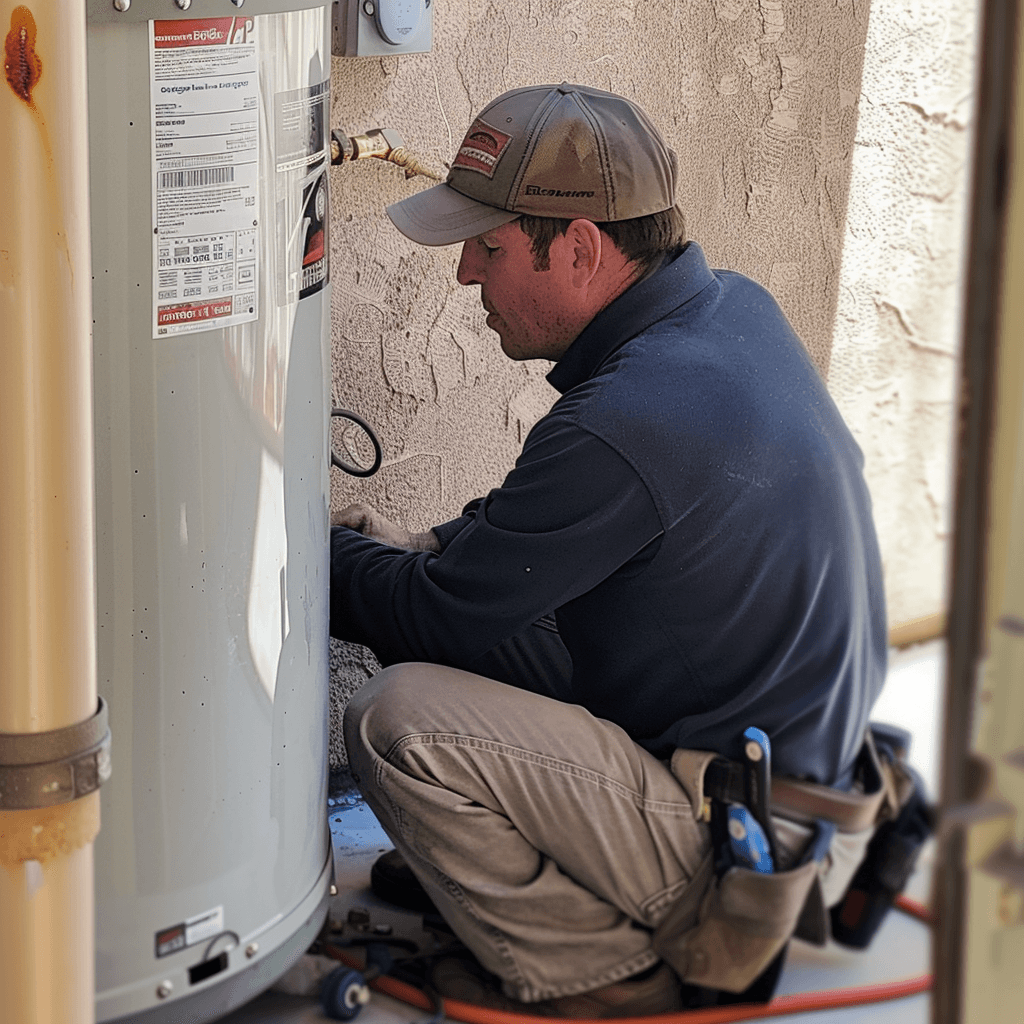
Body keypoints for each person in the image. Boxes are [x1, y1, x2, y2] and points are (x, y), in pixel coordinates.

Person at [330, 83, 887, 1016]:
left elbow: (437, 607)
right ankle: (556, 880)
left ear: (579, 248)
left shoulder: (629, 422)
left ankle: (603, 975)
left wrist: (294, 561)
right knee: (452, 613)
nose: (466, 274)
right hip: (781, 773)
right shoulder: (725, 314)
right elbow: (525, 543)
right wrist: (415, 546)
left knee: (402, 719)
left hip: (744, 846)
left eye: (490, 247)